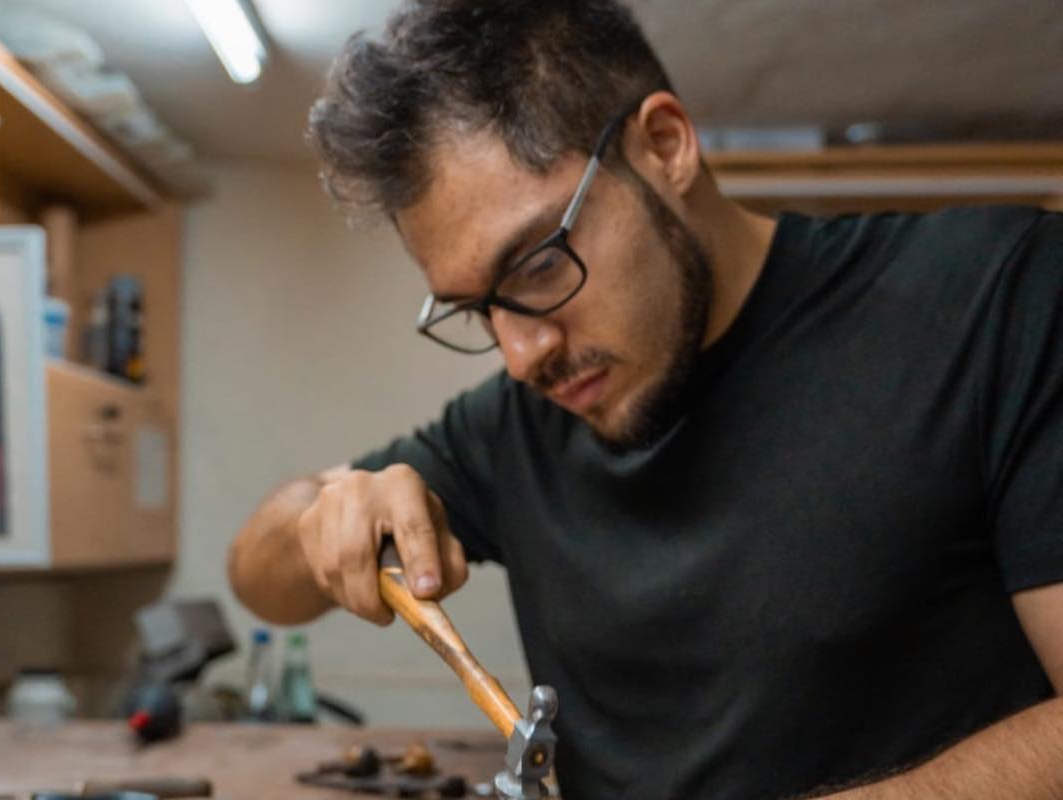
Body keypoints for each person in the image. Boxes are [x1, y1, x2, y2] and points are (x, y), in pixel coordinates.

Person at [229, 2, 1063, 797]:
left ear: (666, 145)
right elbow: (258, 578)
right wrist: (326, 513)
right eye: (477, 309)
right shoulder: (517, 429)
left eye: (539, 267)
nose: (521, 357)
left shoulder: (994, 293)